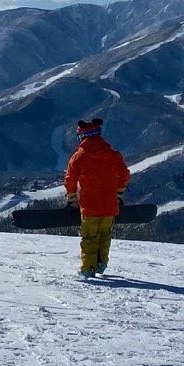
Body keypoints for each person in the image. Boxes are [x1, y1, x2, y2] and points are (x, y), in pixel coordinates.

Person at [63, 117, 131, 278]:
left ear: (81, 137)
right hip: (110, 205)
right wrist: (118, 193)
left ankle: (88, 268)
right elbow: (124, 175)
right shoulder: (114, 155)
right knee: (105, 235)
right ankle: (101, 264)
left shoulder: (79, 157)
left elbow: (70, 180)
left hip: (90, 206)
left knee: (89, 238)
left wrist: (72, 197)